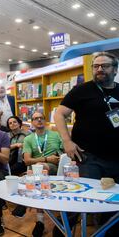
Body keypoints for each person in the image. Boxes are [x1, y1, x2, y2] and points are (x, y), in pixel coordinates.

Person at [55, 51, 119, 236]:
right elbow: (59, 114)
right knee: (82, 199)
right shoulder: (82, 90)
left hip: (117, 158)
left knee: (114, 204)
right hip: (89, 157)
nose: (99, 69)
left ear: (114, 69)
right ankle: (62, 231)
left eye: (104, 66)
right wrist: (67, 141)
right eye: (96, 66)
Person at [23, 112, 63, 236]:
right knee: (39, 173)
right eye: (36, 118)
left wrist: (59, 157)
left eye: (41, 118)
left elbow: (65, 152)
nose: (39, 120)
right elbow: (27, 160)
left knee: (36, 173)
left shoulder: (56, 135)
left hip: (56, 168)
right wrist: (46, 159)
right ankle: (40, 222)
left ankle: (24, 206)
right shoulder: (28, 138)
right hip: (39, 170)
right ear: (32, 122)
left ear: (45, 120)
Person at [6, 115, 29, 218]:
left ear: (19, 123)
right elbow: (4, 148)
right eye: (10, 123)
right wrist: (15, 145)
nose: (12, 124)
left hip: (23, 161)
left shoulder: (27, 134)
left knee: (10, 172)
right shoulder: (6, 135)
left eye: (14, 122)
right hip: (8, 160)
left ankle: (20, 201)